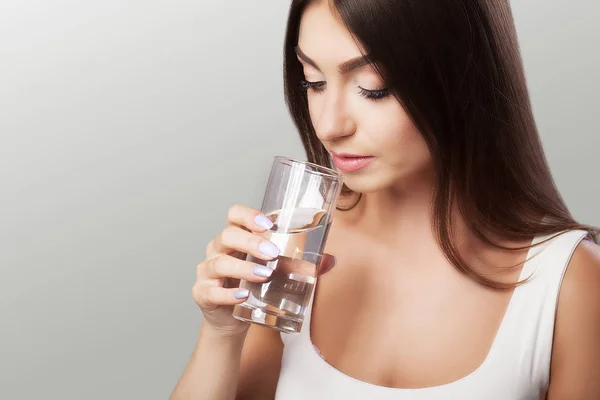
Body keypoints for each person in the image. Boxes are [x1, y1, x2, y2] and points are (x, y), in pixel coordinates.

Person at [170, 0, 600, 399]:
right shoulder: (297, 245)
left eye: (373, 88)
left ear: (460, 76)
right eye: (313, 81)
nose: (329, 125)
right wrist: (221, 333)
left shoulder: (570, 283)